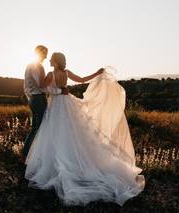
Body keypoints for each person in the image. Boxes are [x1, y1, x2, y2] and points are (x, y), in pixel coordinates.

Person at [24, 52, 145, 206]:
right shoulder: (66, 73)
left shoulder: (50, 74)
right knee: (72, 132)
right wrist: (96, 73)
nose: (49, 60)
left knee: (55, 132)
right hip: (67, 103)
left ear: (56, 61)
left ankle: (59, 160)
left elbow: (44, 88)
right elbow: (81, 80)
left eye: (51, 59)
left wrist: (58, 91)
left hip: (57, 105)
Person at [22, 45, 68, 158]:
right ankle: (26, 154)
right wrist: (59, 91)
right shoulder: (35, 67)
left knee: (38, 127)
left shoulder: (35, 66)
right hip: (37, 98)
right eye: (45, 53)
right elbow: (41, 86)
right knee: (39, 127)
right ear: (39, 53)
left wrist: (30, 97)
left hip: (36, 98)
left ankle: (32, 154)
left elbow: (27, 86)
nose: (47, 56)